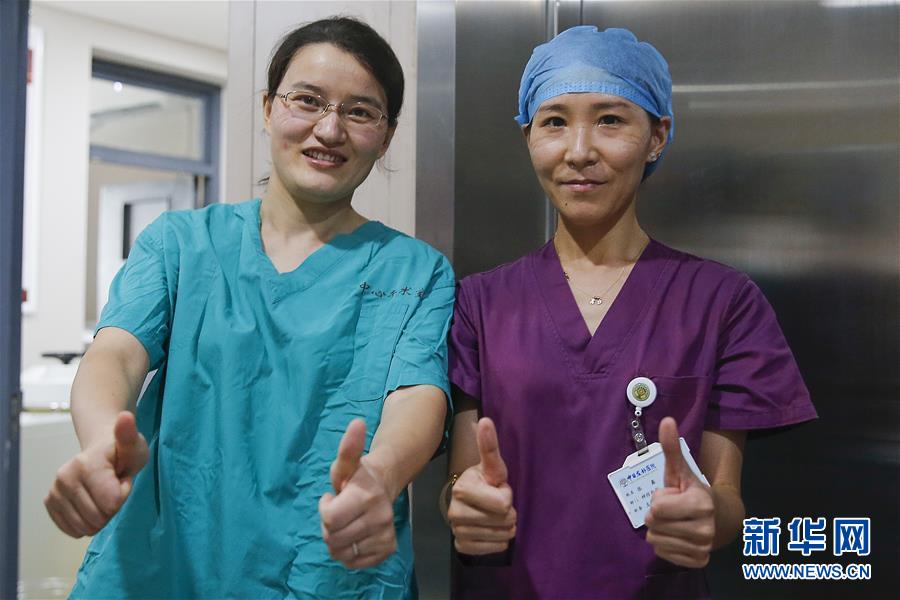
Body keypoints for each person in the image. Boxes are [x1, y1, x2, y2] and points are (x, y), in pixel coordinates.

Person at [44, 17, 453, 599]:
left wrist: (381, 474)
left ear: (385, 137)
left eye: (360, 112)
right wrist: (102, 441)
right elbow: (116, 353)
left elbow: (417, 395)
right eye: (307, 100)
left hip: (330, 572)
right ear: (267, 108)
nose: (329, 129)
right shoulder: (180, 244)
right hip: (165, 567)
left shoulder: (415, 271)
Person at [443, 26, 817, 598]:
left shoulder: (722, 302)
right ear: (528, 137)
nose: (578, 151)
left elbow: (726, 503)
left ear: (657, 136)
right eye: (554, 122)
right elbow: (462, 482)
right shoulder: (479, 304)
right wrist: (463, 505)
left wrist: (704, 516)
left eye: (610, 120)